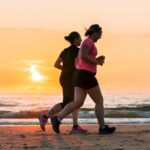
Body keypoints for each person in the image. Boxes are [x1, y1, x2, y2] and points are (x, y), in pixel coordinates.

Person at [50, 24, 116, 134]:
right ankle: (102, 127)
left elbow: (83, 58)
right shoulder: (89, 42)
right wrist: (97, 62)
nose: (100, 36)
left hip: (79, 75)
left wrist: (96, 59)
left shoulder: (86, 42)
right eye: (100, 34)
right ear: (94, 32)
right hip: (86, 75)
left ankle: (57, 119)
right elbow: (84, 56)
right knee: (99, 101)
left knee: (78, 102)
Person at [39, 31, 87, 133]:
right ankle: (45, 117)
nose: (81, 40)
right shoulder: (78, 51)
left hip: (64, 78)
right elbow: (76, 65)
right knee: (70, 102)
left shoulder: (65, 51)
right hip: (70, 79)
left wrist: (65, 69)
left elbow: (56, 64)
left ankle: (75, 126)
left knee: (75, 102)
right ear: (75, 40)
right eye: (79, 39)